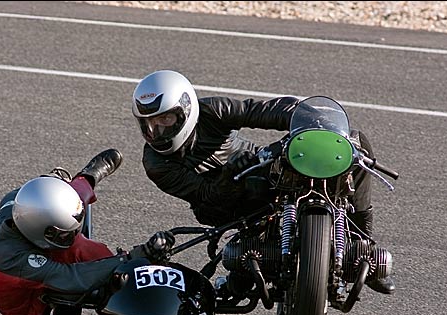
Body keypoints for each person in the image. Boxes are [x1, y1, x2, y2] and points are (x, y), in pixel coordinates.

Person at [131, 70, 395, 295]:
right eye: (149, 124)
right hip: (218, 202)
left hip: (256, 162)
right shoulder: (156, 164)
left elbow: (259, 111)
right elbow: (205, 196)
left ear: (186, 110)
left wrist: (310, 120)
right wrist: (229, 176)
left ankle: (363, 245)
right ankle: (247, 266)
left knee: (354, 145)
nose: (157, 132)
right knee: (253, 187)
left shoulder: (212, 110)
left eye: (165, 119)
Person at [0, 149, 176, 315]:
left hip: (33, 258)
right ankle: (112, 282)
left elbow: (47, 194)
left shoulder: (22, 203)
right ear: (40, 232)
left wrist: (79, 180)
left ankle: (85, 177)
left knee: (76, 234)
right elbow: (69, 276)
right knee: (80, 251)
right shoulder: (11, 256)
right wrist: (129, 258)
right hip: (25, 306)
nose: (72, 235)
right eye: (63, 233)